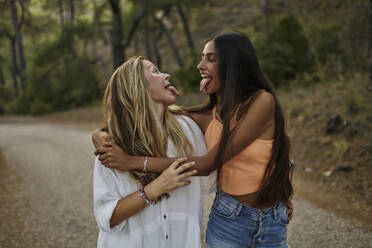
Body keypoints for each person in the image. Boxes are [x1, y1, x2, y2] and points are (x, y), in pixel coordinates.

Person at [94, 32, 293, 247]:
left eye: (210, 58)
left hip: (272, 217)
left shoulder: (261, 102)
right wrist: (99, 136)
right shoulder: (202, 117)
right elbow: (131, 119)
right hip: (230, 218)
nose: (199, 65)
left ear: (233, 64)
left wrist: (132, 161)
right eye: (202, 57)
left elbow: (211, 164)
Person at [93, 56, 215, 248]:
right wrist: (155, 188)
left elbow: (209, 181)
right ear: (137, 86)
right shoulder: (113, 145)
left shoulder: (188, 130)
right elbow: (107, 217)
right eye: (155, 71)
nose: (167, 75)